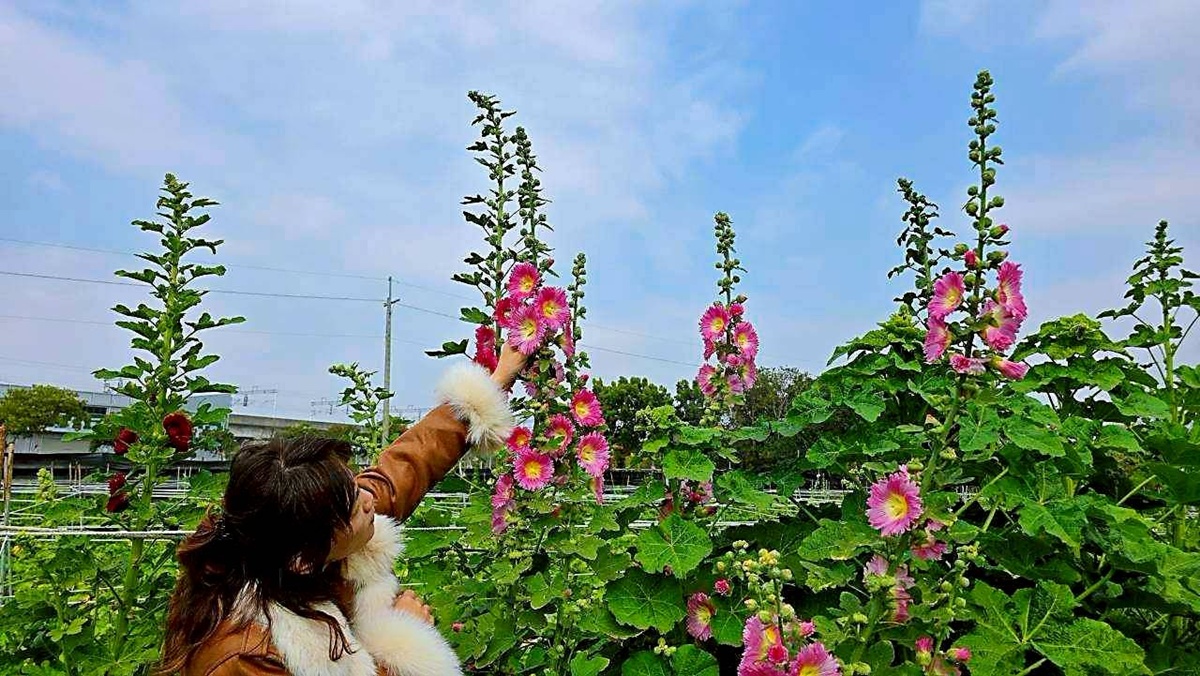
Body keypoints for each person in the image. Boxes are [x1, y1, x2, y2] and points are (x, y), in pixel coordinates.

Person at [158, 346, 526, 676]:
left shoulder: (291, 537)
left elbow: (405, 466)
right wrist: (401, 646)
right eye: (353, 507)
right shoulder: (244, 655)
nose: (368, 499)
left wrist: (496, 381)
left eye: (354, 484)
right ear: (304, 560)